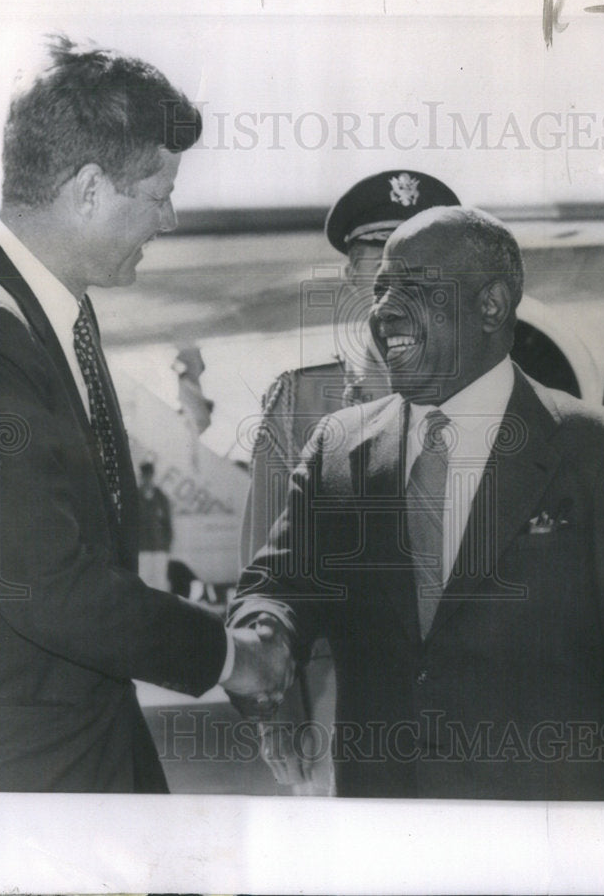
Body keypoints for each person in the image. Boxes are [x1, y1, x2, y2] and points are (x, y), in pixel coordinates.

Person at [0, 36, 292, 793]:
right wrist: (232, 657)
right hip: (22, 783)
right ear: (89, 189)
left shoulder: (35, 311)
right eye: (158, 192)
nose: (170, 219)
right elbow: (50, 585)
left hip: (76, 750)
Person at [231, 206, 604, 800]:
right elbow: (279, 584)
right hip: (385, 824)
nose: (384, 312)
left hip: (543, 838)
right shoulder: (338, 445)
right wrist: (264, 629)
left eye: (415, 287)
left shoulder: (601, 451)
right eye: (381, 290)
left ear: (491, 306)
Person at [239, 170, 460, 794]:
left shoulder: (499, 399)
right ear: (351, 276)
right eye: (376, 253)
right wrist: (276, 711)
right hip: (342, 706)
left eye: (418, 249)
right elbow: (267, 572)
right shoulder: (301, 401)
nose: (398, 270)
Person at [138, 461, 173, 592]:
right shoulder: (134, 498)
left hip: (159, 549)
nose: (147, 479)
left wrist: (167, 546)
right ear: (140, 477)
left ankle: (161, 612)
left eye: (149, 476)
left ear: (153, 476)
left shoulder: (161, 498)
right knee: (143, 583)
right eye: (144, 476)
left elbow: (168, 525)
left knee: (160, 584)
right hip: (142, 549)